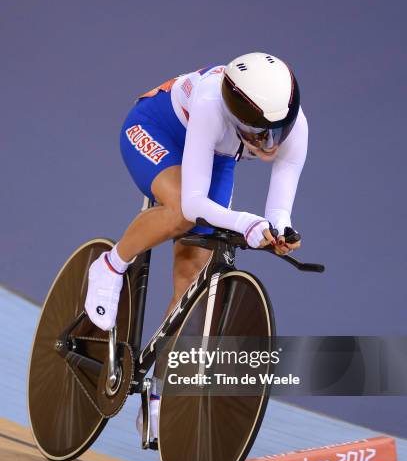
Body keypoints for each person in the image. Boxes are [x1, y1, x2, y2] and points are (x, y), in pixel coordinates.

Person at [84, 52, 308, 438]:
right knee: (181, 214)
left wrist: (279, 230)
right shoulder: (210, 101)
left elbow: (279, 207)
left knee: (193, 281)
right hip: (157, 129)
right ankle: (110, 265)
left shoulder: (295, 126)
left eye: (278, 131)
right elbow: (193, 204)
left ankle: (157, 391)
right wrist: (245, 222)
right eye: (259, 134)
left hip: (216, 155)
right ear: (237, 116)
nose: (270, 144)